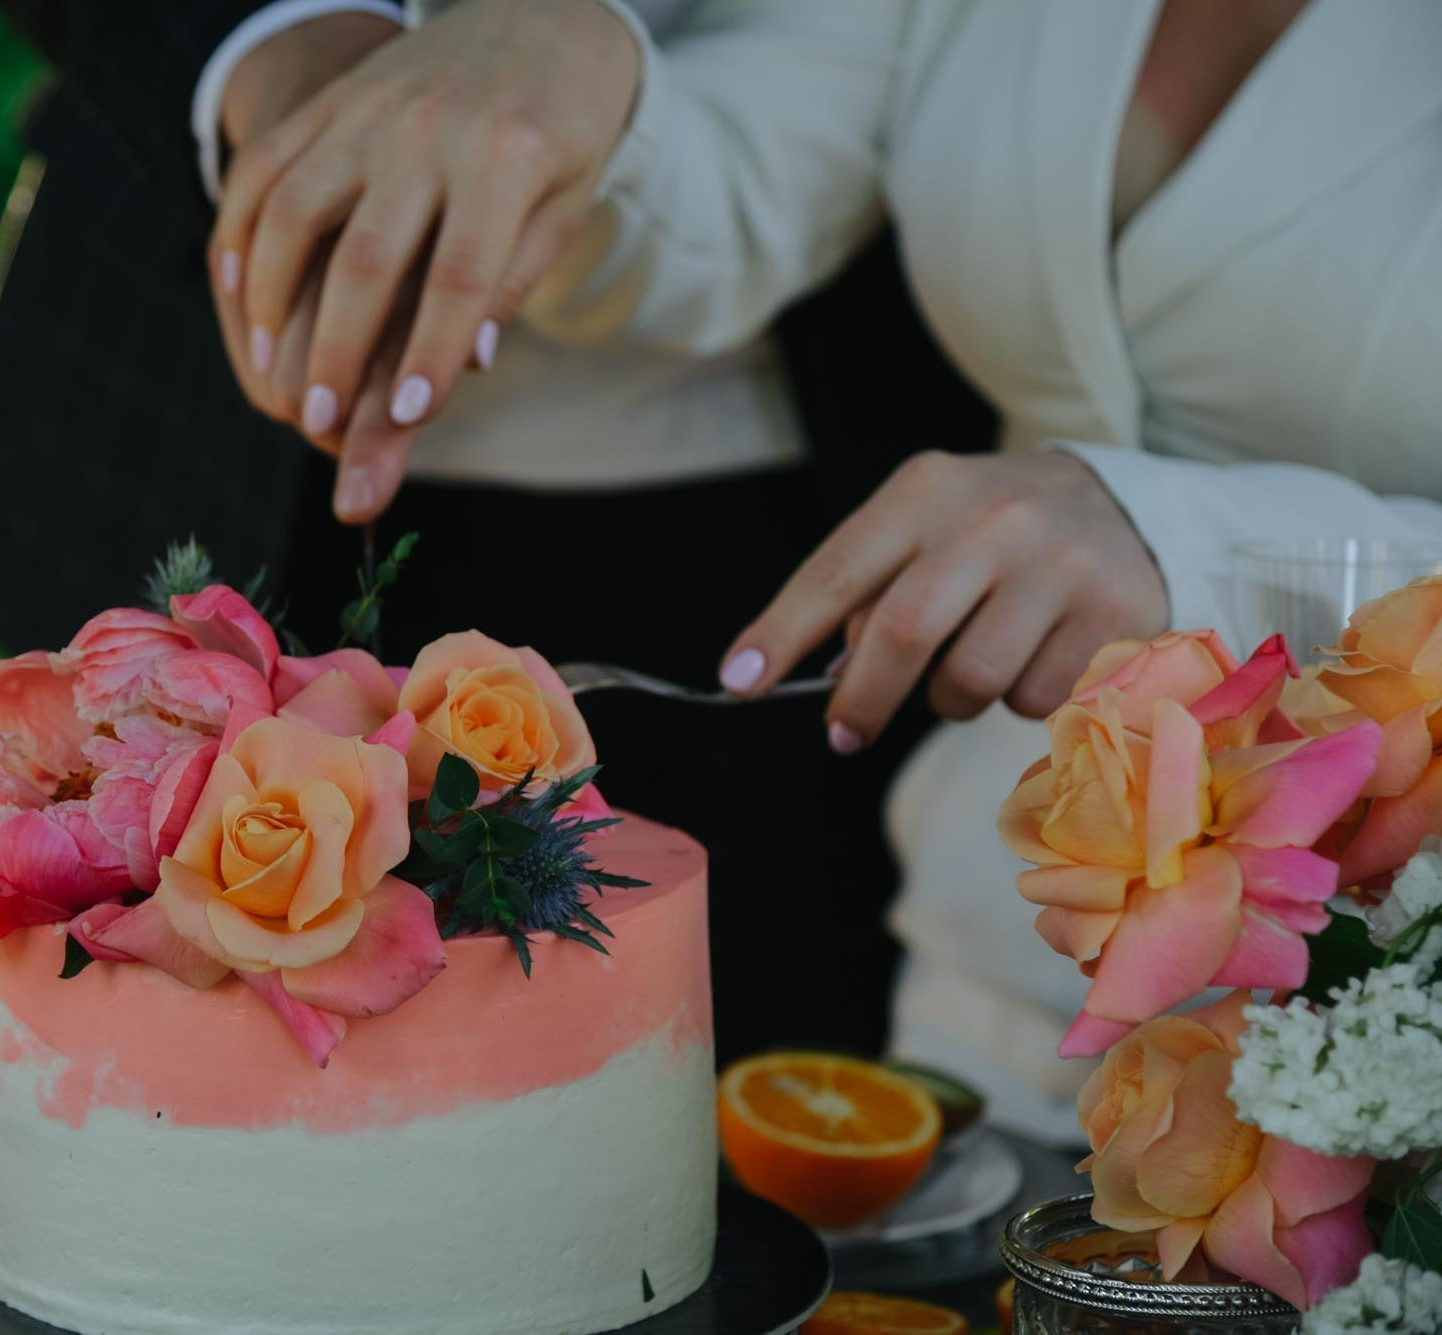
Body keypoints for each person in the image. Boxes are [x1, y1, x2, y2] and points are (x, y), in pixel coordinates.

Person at [218, 0, 1442, 1137]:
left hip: (1386, 1011)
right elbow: (727, 198)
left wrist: (1191, 553)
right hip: (1002, 948)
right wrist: (574, 75)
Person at [0, 0, 993, 1062]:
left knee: (758, 1084)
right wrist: (278, 36)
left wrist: (587, 55)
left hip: (795, 477)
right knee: (159, 1103)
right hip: (199, 409)